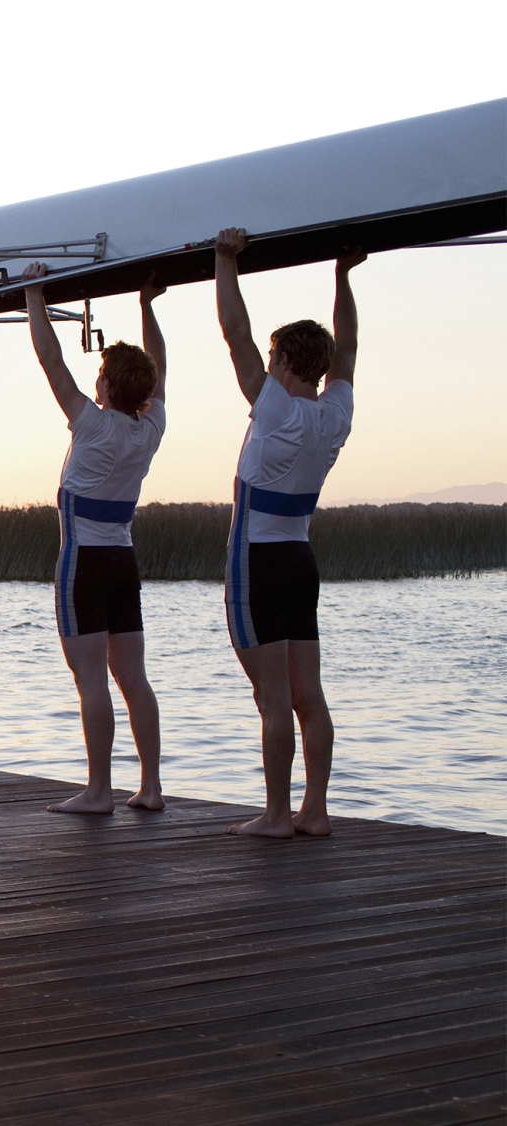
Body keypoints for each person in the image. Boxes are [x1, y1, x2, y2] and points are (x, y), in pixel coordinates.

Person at [214, 228, 365, 839]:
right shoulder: (335, 416)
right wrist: (343, 275)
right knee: (310, 696)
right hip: (301, 561)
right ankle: (315, 811)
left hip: (257, 562)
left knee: (273, 699)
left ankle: (277, 816)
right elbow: (349, 346)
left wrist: (225, 261)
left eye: (272, 357)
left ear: (280, 363)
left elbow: (234, 333)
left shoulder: (274, 407)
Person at [21, 265, 169, 814]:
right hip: (123, 563)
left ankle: (100, 791)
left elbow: (51, 360)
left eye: (101, 374)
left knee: (91, 681)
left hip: (82, 564)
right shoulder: (151, 427)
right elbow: (161, 370)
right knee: (134, 678)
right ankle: (150, 787)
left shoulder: (91, 423)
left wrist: (34, 294)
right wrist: (147, 305)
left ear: (105, 387)